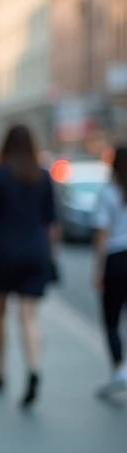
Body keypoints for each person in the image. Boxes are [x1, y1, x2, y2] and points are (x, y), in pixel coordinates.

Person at [0, 125, 54, 408]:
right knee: (29, 314)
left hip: (5, 251)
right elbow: (51, 223)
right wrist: (51, 255)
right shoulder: (42, 176)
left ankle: (0, 370)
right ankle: (34, 367)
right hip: (36, 251)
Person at [92, 146, 127, 398]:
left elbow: (102, 234)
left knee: (111, 320)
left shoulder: (109, 194)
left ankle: (119, 369)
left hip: (116, 259)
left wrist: (98, 268)